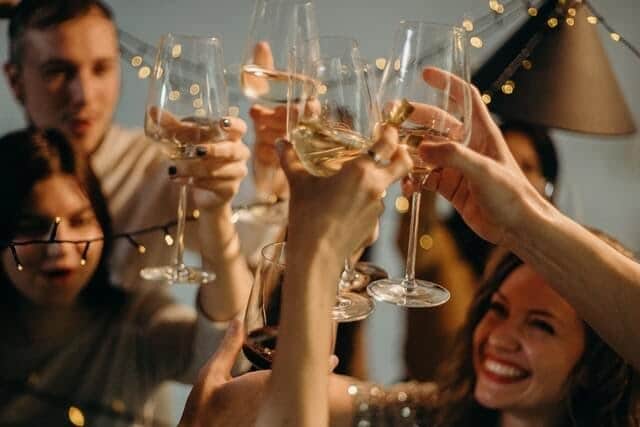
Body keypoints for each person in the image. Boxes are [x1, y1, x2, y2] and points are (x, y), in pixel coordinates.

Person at [177, 67, 640, 427]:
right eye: (496, 309)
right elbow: (272, 401)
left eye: (541, 326)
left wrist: (318, 250)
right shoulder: (431, 413)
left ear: (599, 363)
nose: (499, 335)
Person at [0, 128, 249, 427]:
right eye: (32, 226)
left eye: (80, 221)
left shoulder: (136, 323)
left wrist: (215, 212)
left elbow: (229, 356)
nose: (59, 246)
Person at [3, 0, 253, 291]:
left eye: (101, 69)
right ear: (15, 80)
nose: (84, 94)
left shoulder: (162, 167)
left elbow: (254, 242)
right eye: (59, 71)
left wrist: (263, 176)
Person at [400, 120, 559, 380]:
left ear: (547, 187)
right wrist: (427, 163)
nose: (509, 177)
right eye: (497, 162)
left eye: (526, 167)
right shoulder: (445, 244)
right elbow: (417, 240)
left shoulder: (549, 273)